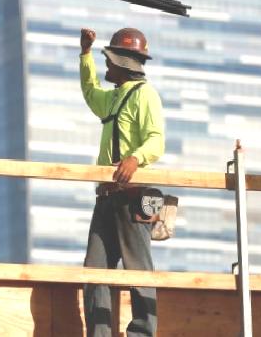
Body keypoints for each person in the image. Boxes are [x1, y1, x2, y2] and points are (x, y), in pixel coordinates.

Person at [79, 27, 164, 337]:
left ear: (123, 64)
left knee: (138, 268)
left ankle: (142, 333)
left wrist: (135, 159)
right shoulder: (115, 98)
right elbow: (90, 93)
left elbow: (156, 140)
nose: (107, 67)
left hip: (133, 195)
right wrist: (85, 55)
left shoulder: (145, 95)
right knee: (94, 270)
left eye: (109, 61)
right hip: (107, 197)